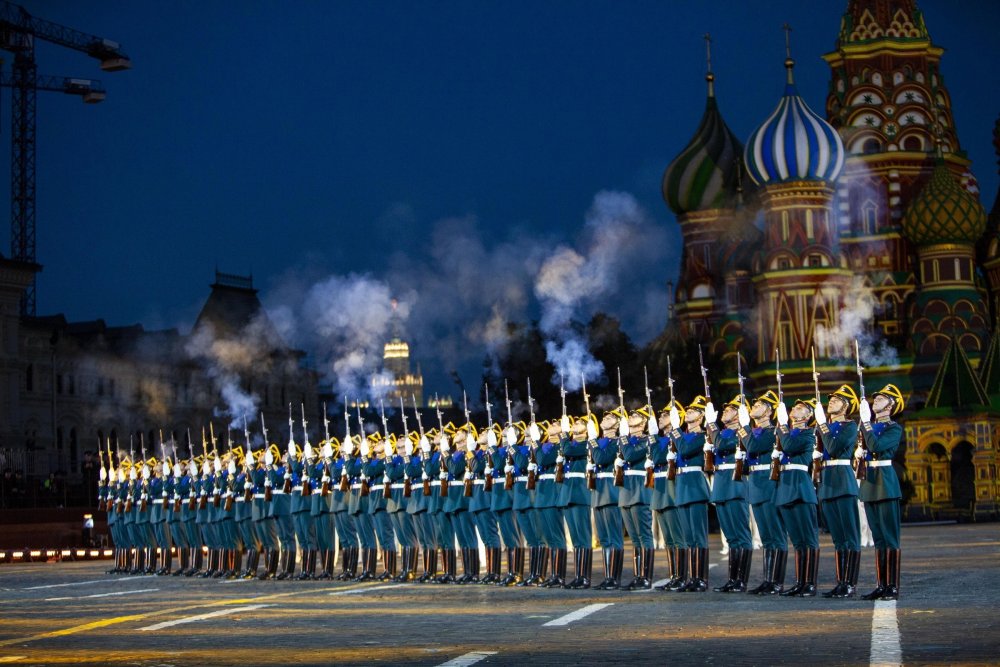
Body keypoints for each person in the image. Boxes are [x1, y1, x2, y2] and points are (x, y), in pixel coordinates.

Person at [858, 384, 905, 601]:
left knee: (890, 538)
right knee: (878, 538)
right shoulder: (868, 426)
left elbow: (876, 446)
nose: (875, 400)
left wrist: (866, 424)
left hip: (885, 483)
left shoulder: (893, 428)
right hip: (869, 484)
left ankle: (892, 586)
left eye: (881, 399)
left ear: (891, 405)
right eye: (875, 398)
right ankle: (881, 584)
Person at [814, 385, 861, 598]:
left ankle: (850, 584)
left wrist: (822, 426)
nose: (831, 402)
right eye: (831, 400)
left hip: (842, 481)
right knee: (838, 538)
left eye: (837, 400)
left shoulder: (849, 426)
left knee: (850, 536)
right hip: (827, 483)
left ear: (846, 406)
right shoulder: (822, 427)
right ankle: (841, 582)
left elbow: (833, 448)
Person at [739, 390, 788, 595]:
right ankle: (768, 580)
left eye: (759, 405)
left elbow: (754, 446)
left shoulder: (772, 432)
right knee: (766, 536)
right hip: (755, 484)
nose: (754, 407)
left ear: (769, 411)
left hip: (769, 484)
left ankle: (777, 581)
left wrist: (743, 428)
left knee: (776, 534)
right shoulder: (755, 431)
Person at [774, 399, 821, 597]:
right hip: (786, 487)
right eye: (794, 407)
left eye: (800, 408)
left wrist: (782, 426)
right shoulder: (785, 433)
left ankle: (809, 583)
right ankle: (800, 582)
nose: (794, 409)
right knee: (797, 540)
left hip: (801, 488)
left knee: (808, 538)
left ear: (808, 416)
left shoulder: (809, 434)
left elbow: (790, 445)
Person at [708, 395, 753, 593]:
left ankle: (741, 581)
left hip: (736, 485)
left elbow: (721, 444)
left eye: (730, 409)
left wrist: (711, 425)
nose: (725, 411)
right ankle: (732, 579)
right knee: (730, 537)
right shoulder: (722, 433)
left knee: (741, 535)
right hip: (721, 484)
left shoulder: (741, 432)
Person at [671, 396, 712, 592]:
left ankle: (701, 578)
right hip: (682, 486)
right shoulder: (680, 436)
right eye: (687, 410)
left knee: (698, 535)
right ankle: (692, 577)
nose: (688, 412)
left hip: (695, 486)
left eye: (693, 411)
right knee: (688, 536)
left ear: (701, 416)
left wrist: (675, 430)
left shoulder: (702, 436)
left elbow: (685, 450)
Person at [617, 407, 654, 590]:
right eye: (631, 415)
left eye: (636, 416)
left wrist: (623, 438)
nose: (631, 417)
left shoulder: (647, 440)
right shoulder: (624, 441)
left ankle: (646, 577)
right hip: (625, 491)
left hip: (640, 490)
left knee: (644, 535)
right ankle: (638, 576)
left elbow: (630, 454)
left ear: (644, 422)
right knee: (634, 538)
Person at [559, 414, 596, 589]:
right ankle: (578, 576)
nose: (575, 424)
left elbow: (568, 451)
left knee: (583, 536)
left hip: (580, 493)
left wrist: (564, 434)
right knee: (575, 538)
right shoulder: (570, 444)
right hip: (568, 493)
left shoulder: (586, 444)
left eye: (580, 423)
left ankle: (585, 577)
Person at [652, 401, 685, 591]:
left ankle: (682, 576)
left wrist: (675, 431)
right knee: (668, 538)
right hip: (660, 489)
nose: (660, 418)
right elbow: (654, 457)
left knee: (678, 536)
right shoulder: (660, 439)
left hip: (672, 488)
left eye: (665, 415)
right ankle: (674, 576)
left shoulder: (678, 438)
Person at [591, 409, 625, 590]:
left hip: (611, 493)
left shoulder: (617, 442)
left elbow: (601, 458)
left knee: (614, 538)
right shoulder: (598, 442)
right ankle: (607, 576)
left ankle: (615, 578)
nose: (605, 419)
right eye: (604, 417)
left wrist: (592, 442)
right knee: (604, 539)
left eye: (610, 417)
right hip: (598, 492)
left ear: (618, 424)